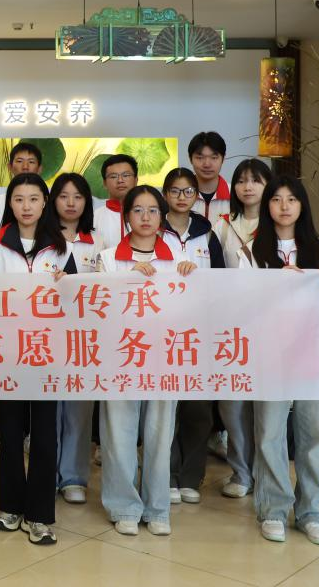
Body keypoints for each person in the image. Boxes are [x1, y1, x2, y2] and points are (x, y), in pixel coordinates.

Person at [247, 175, 319, 546]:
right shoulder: (251, 250)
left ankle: (311, 512)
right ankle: (273, 509)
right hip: (270, 354)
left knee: (315, 433)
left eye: (292, 199)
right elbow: (242, 305)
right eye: (276, 199)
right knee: (270, 433)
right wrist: (277, 284)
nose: (284, 206)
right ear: (267, 206)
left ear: (302, 205)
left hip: (313, 355)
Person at [96, 185, 199, 538]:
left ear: (162, 216)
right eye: (138, 210)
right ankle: (123, 506)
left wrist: (190, 278)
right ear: (127, 217)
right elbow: (99, 306)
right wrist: (124, 281)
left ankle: (157, 507)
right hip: (121, 355)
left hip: (165, 356)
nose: (145, 217)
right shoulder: (109, 258)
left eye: (152, 210)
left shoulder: (180, 260)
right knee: (119, 433)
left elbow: (192, 309)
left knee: (159, 433)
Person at [0, 173, 65, 546]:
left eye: (33, 199)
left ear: (45, 203)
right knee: (9, 434)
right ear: (10, 204)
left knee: (44, 436)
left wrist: (67, 285)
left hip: (47, 354)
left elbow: (78, 305)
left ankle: (40, 515)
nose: (26, 207)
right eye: (19, 199)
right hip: (7, 353)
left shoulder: (62, 249)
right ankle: (10, 506)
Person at [160, 168, 226, 507]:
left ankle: (191, 476)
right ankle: (168, 474)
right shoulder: (153, 229)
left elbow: (222, 282)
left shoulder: (207, 234)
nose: (182, 197)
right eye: (175, 190)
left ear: (195, 196)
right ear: (166, 194)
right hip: (162, 331)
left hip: (200, 332)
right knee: (166, 407)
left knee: (198, 409)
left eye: (188, 191)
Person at [44, 172, 104, 506]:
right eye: (64, 196)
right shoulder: (41, 236)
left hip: (85, 336)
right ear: (53, 200)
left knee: (79, 410)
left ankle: (73, 477)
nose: (70, 203)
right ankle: (47, 471)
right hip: (46, 334)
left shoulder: (97, 241)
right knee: (49, 409)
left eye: (78, 197)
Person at [213, 158, 272, 498]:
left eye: (256, 180)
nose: (247, 187)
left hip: (269, 328)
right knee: (232, 403)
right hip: (230, 327)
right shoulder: (222, 227)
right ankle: (241, 473)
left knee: (266, 406)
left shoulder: (280, 225)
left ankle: (265, 473)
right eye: (241, 180)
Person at [0, 141, 44, 231]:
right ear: (10, 167)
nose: (25, 167)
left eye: (31, 162)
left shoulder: (51, 202)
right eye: (19, 161)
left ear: (39, 169)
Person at [92, 154, 138, 248]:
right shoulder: (94, 217)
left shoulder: (148, 215)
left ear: (136, 180)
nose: (120, 180)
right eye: (113, 176)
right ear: (104, 183)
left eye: (126, 175)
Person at [188, 131, 230, 224]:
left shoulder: (235, 194)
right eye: (200, 157)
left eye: (214, 157)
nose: (207, 164)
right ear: (190, 159)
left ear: (223, 159)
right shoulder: (179, 195)